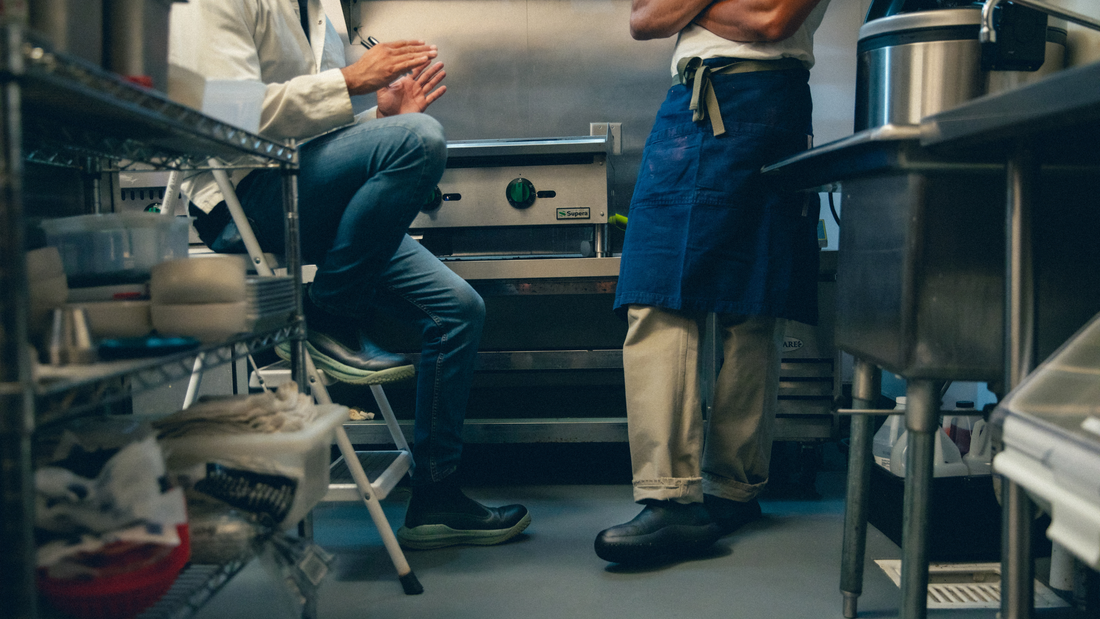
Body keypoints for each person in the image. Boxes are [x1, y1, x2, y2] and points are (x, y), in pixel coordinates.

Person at [168, 0, 530, 550]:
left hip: (305, 192)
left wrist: (382, 117)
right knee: (421, 139)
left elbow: (316, 138)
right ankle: (330, 314)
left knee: (458, 309)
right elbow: (224, 111)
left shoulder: (321, 14)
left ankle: (435, 498)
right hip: (244, 195)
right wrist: (351, 81)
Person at [594, 0, 830, 564]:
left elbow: (773, 19)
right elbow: (644, 19)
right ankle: (675, 493)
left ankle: (728, 491)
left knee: (753, 302)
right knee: (656, 291)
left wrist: (688, 12)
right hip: (690, 100)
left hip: (765, 100)